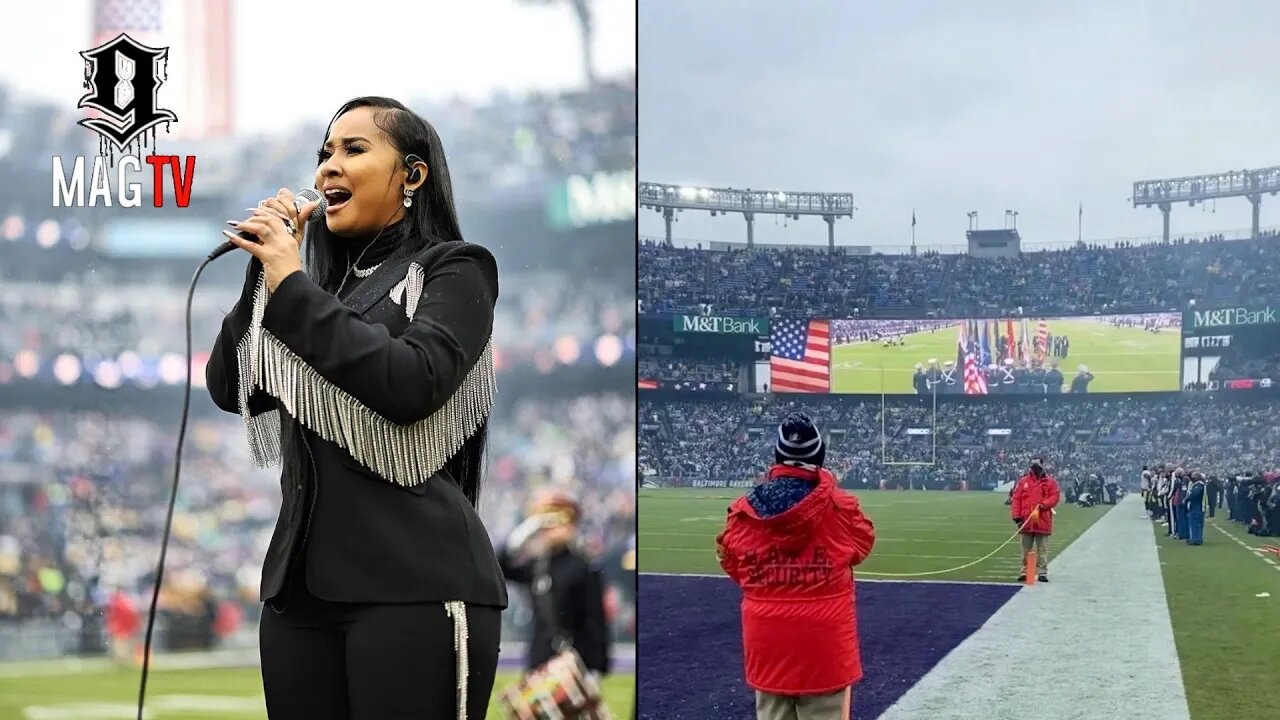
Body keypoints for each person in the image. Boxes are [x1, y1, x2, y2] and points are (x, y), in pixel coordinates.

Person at [205, 96, 506, 719]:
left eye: (354, 149)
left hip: (416, 585)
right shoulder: (312, 291)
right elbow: (231, 385)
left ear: (413, 175)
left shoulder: (457, 269)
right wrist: (264, 276)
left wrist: (292, 284)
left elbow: (411, 382)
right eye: (324, 154)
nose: (327, 169)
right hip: (299, 595)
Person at [716, 412, 876, 720]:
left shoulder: (744, 509)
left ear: (778, 454)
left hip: (767, 641)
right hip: (825, 643)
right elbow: (863, 543)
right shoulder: (839, 506)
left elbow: (734, 564)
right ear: (819, 455)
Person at [498, 489, 611, 679]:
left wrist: (596, 667)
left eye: (557, 523)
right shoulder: (536, 565)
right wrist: (522, 534)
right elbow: (498, 568)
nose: (550, 530)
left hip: (574, 661)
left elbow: (596, 620)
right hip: (539, 660)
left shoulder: (584, 567)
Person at [1011, 456, 1060, 582]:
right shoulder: (1023, 482)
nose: (1035, 467)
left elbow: (1054, 497)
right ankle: (1025, 571)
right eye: (1033, 465)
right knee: (1025, 549)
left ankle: (1042, 572)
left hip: (1042, 520)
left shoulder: (1050, 482)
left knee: (1042, 549)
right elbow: (1016, 499)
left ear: (1043, 465)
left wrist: (1044, 504)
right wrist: (1016, 516)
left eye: (1037, 464)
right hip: (1025, 520)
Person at [1185, 472, 1207, 546]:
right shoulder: (1197, 485)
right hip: (1196, 506)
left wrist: (1186, 499)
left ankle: (1196, 539)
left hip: (1197, 506)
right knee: (1195, 523)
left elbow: (1194, 495)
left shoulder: (1199, 485)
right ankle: (1195, 538)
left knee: (1195, 523)